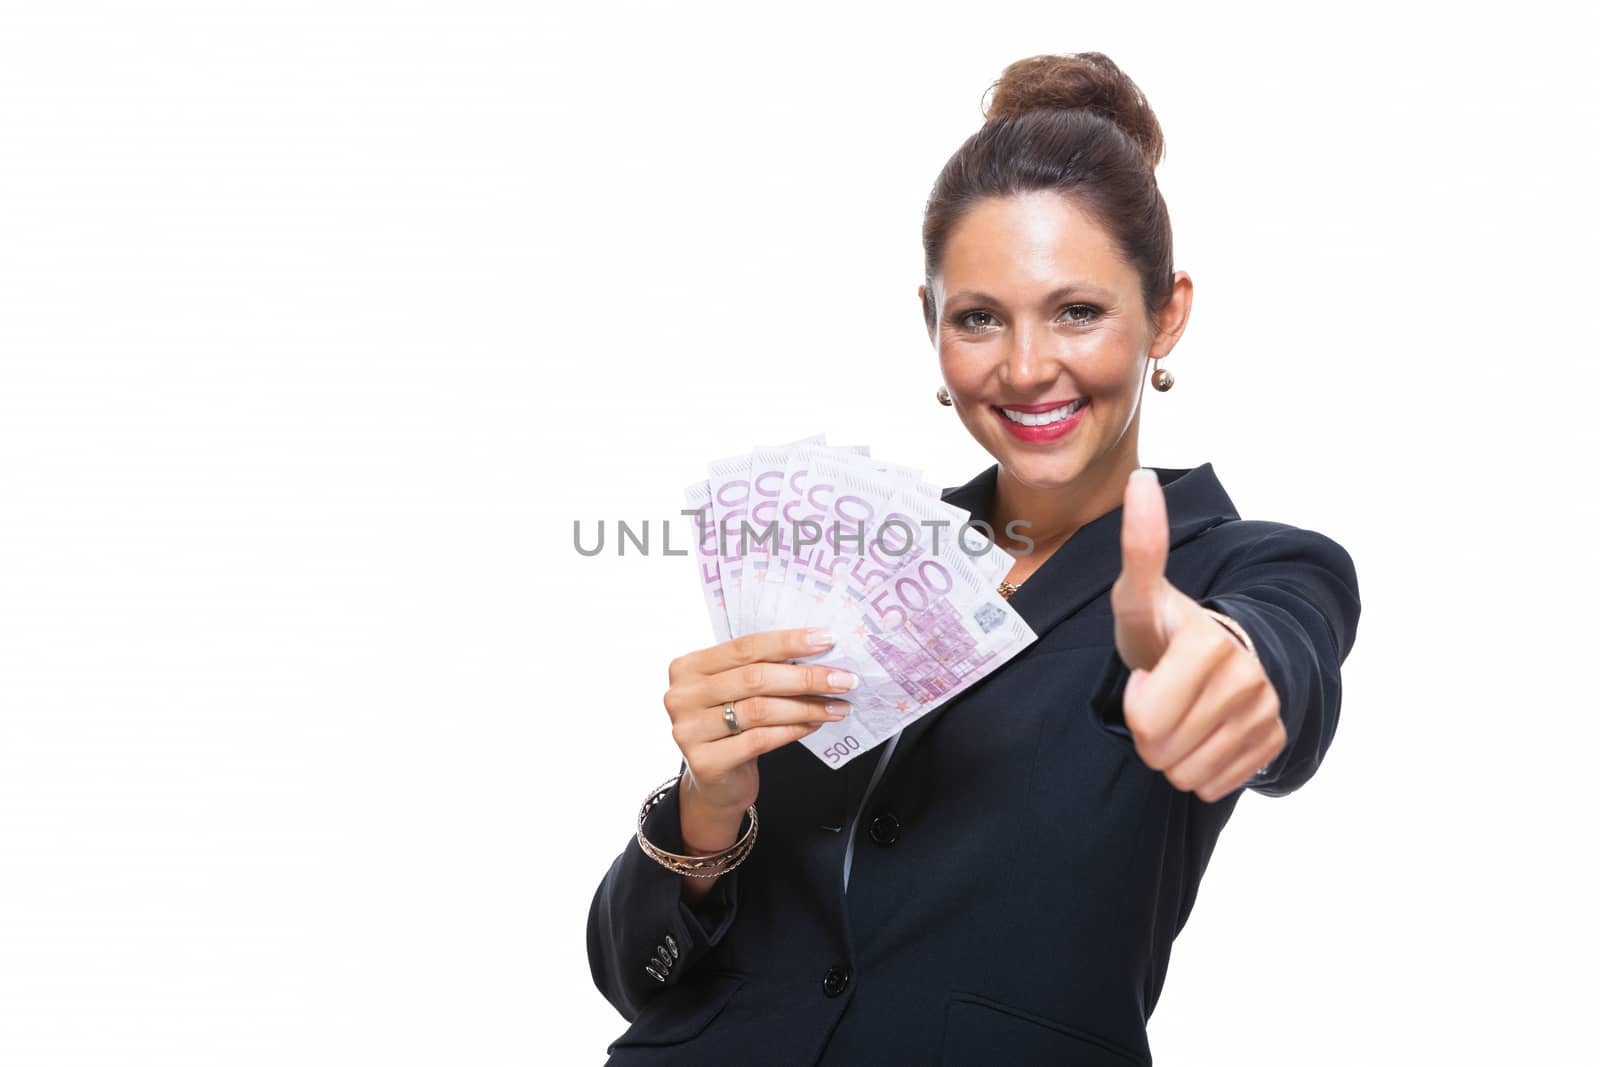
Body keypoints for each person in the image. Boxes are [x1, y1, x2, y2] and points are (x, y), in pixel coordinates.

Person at [585, 51, 1361, 1065]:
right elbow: (631, 974)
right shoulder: (850, 548)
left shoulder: (1252, 568)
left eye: (1077, 310)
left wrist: (1228, 669)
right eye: (979, 316)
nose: (1026, 365)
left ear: (1164, 314)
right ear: (931, 325)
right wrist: (706, 805)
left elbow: (1277, 664)